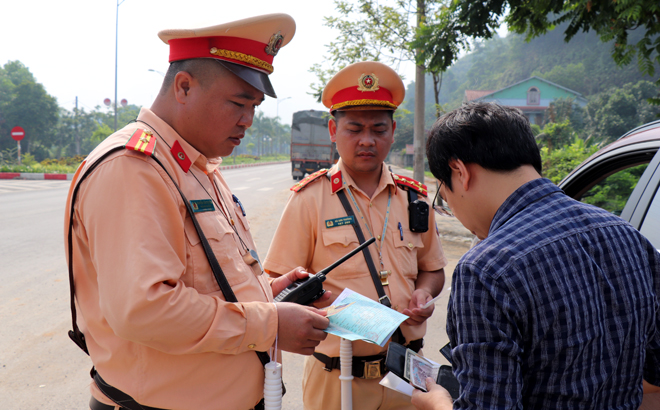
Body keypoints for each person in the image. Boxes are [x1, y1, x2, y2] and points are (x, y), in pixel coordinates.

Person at [64, 14, 330, 410]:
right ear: (184, 87)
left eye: (254, 106)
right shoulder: (133, 167)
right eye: (239, 103)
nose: (248, 120)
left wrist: (269, 295)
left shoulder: (195, 165)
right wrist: (270, 323)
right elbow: (146, 310)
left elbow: (204, 282)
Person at [411, 102, 660, 409]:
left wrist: (436, 402)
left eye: (444, 197)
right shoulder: (626, 234)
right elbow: (655, 371)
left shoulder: (485, 269)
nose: (452, 209)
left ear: (460, 172)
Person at [263, 61, 447, 410]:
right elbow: (278, 284)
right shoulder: (309, 199)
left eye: (378, 129)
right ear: (333, 130)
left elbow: (432, 268)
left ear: (393, 131)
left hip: (406, 376)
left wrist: (424, 293)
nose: (367, 140)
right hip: (336, 377)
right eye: (354, 128)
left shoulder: (413, 198)